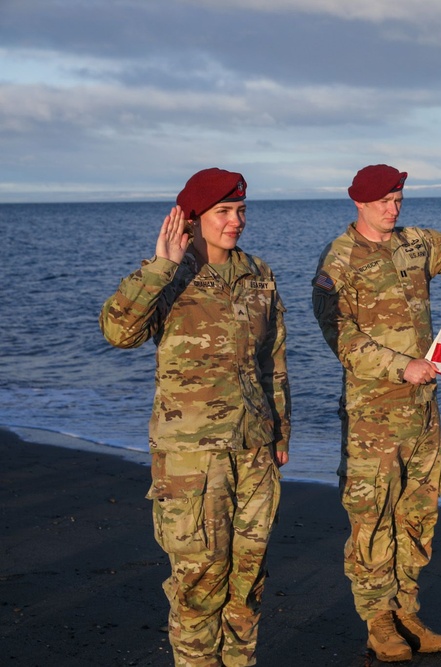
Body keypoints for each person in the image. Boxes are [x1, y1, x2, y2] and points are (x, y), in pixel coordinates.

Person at [99, 168, 291, 666]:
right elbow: (118, 332)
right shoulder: (168, 276)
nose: (235, 223)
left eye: (240, 212)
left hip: (253, 452)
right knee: (199, 585)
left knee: (247, 583)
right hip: (191, 463)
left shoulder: (259, 275)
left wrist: (280, 431)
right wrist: (161, 267)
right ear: (192, 219)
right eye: (223, 213)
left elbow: (273, 359)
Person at [311, 164, 441, 662]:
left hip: (423, 412)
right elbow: (338, 336)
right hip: (371, 419)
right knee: (372, 518)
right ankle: (377, 619)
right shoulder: (337, 262)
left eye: (399, 198)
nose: (394, 207)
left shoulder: (416, 243)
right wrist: (399, 365)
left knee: (417, 515)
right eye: (385, 200)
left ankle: (406, 610)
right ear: (359, 203)